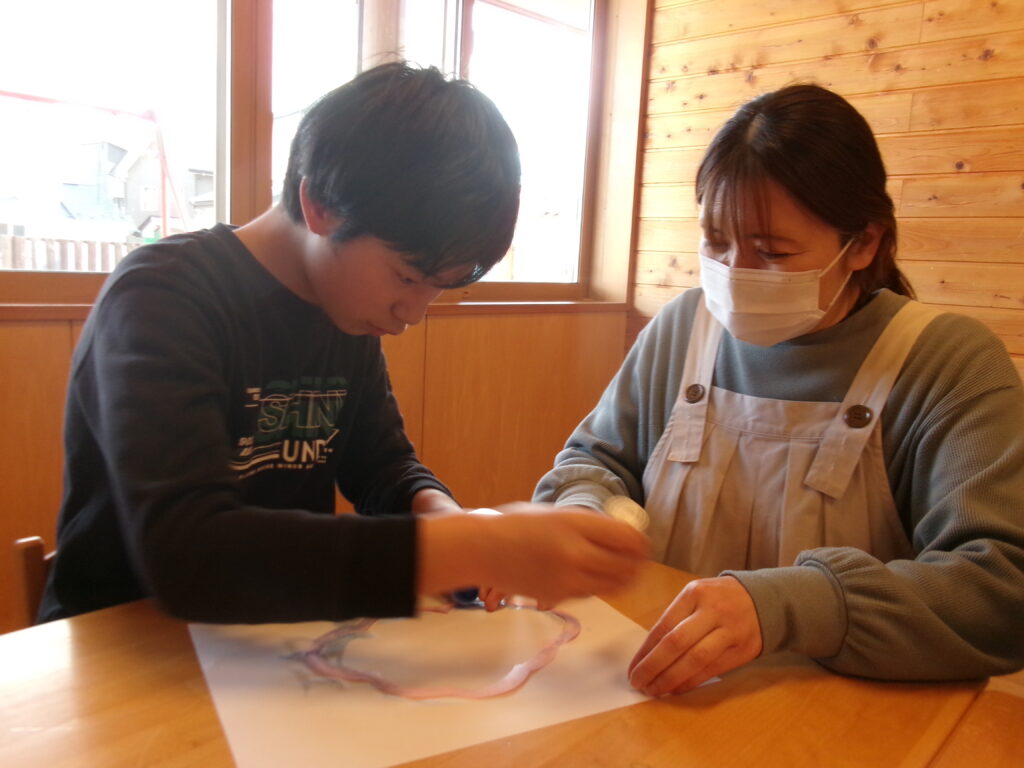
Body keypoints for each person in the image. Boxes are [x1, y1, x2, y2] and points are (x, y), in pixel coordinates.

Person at [40, 62, 649, 625]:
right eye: (406, 278)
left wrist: (446, 516)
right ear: (319, 205)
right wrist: (472, 546)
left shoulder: (344, 312)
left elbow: (382, 467)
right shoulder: (162, 296)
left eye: (437, 289)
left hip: (261, 643)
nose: (413, 315)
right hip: (119, 643)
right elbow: (190, 555)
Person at [534, 84, 1024, 695]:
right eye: (716, 243)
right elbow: (594, 461)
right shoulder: (683, 329)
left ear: (863, 243)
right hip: (660, 691)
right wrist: (583, 511)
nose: (734, 274)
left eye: (771, 252)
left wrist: (793, 607)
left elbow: (1000, 590)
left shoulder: (947, 363)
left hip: (849, 711)